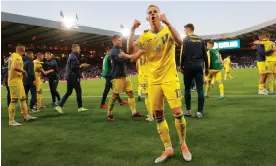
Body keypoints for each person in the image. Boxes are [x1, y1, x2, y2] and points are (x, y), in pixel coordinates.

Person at [123, 4, 192, 163]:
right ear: (147, 18)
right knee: (158, 116)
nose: (153, 14)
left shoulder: (168, 30)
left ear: (159, 15)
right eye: (150, 13)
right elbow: (132, 50)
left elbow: (180, 42)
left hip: (169, 78)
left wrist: (168, 23)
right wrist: (132, 29)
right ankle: (168, 148)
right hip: (153, 81)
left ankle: (183, 144)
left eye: (155, 12)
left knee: (177, 112)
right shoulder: (145, 36)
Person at [105, 35, 144, 120]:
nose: (121, 41)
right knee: (115, 95)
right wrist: (134, 55)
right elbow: (121, 60)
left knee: (130, 93)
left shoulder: (120, 50)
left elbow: (125, 59)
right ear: (114, 41)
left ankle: (134, 112)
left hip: (125, 76)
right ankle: (109, 113)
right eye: (119, 40)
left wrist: (130, 56)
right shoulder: (114, 51)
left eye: (121, 40)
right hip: (118, 77)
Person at [180, 23, 209, 119]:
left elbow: (183, 54)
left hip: (188, 65)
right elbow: (205, 55)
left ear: (188, 29)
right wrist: (207, 68)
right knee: (200, 89)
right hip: (199, 66)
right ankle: (199, 112)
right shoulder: (200, 39)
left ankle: (188, 111)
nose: (184, 31)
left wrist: (181, 66)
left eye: (184, 30)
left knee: (187, 88)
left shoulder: (185, 39)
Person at [7, 44, 37, 126]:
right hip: (15, 82)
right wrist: (24, 72)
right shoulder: (17, 56)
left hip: (17, 81)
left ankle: (26, 116)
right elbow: (14, 67)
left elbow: (9, 64)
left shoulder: (12, 56)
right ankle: (11, 121)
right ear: (23, 50)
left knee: (23, 99)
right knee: (13, 101)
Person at [55, 44, 90, 114]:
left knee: (68, 92)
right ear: (74, 49)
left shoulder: (72, 56)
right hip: (72, 76)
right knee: (79, 91)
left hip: (69, 76)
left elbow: (74, 67)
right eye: (78, 48)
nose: (79, 50)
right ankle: (80, 107)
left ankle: (59, 106)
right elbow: (74, 67)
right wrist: (81, 65)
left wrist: (81, 66)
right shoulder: (73, 56)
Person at [136, 52, 153, 121]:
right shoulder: (150, 53)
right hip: (152, 75)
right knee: (153, 95)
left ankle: (151, 116)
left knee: (146, 96)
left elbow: (137, 67)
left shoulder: (139, 56)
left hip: (144, 77)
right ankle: (154, 113)